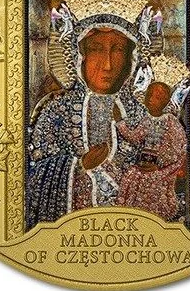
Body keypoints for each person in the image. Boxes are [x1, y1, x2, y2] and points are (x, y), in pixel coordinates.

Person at [26, 24, 146, 228]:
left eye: (118, 50)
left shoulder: (141, 114)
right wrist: (78, 166)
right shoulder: (56, 110)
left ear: (131, 58)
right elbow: (33, 175)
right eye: (96, 49)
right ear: (79, 56)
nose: (107, 65)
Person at [114, 81, 187, 221]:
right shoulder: (147, 119)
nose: (151, 99)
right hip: (144, 165)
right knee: (131, 176)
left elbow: (178, 147)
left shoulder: (171, 121)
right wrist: (119, 122)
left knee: (149, 183)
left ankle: (150, 220)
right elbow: (135, 137)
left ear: (165, 101)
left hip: (161, 169)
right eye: (149, 95)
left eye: (157, 97)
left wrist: (159, 165)